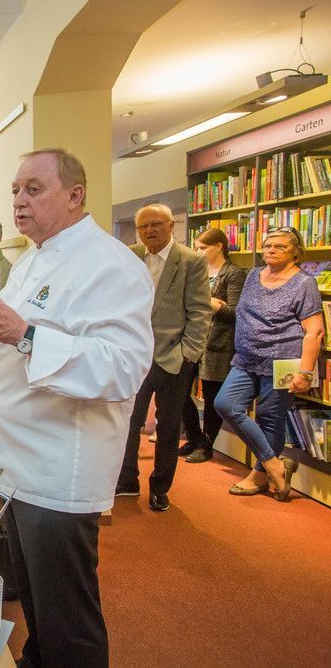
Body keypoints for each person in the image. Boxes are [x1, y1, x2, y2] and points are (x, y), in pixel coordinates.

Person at [0, 148, 153, 668]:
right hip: (14, 466)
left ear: (75, 196)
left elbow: (123, 368)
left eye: (34, 189)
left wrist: (25, 334)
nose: (18, 200)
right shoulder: (32, 259)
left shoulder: (110, 264)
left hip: (57, 472)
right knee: (35, 606)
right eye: (15, 190)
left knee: (67, 622)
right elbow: (8, 337)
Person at [215, 226, 322, 501]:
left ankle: (260, 476)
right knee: (225, 404)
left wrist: (305, 372)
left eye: (280, 246)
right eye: (268, 245)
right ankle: (275, 464)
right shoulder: (253, 275)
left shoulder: (304, 283)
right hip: (245, 357)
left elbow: (315, 331)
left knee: (269, 418)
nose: (271, 250)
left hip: (282, 361)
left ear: (296, 253)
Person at [116, 203, 210, 512]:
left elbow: (200, 312)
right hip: (135, 356)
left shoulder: (191, 261)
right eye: (143, 226)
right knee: (128, 422)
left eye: (156, 224)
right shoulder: (130, 255)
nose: (150, 230)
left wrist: (188, 354)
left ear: (171, 225)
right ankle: (127, 480)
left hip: (173, 356)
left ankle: (160, 487)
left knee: (168, 428)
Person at [180, 229, 246, 462]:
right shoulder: (196, 270)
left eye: (203, 247)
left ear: (219, 246)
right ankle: (194, 436)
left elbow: (236, 313)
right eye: (196, 247)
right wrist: (209, 304)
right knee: (179, 391)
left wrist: (209, 304)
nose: (198, 252)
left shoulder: (234, 274)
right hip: (192, 339)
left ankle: (206, 445)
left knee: (211, 396)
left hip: (218, 343)